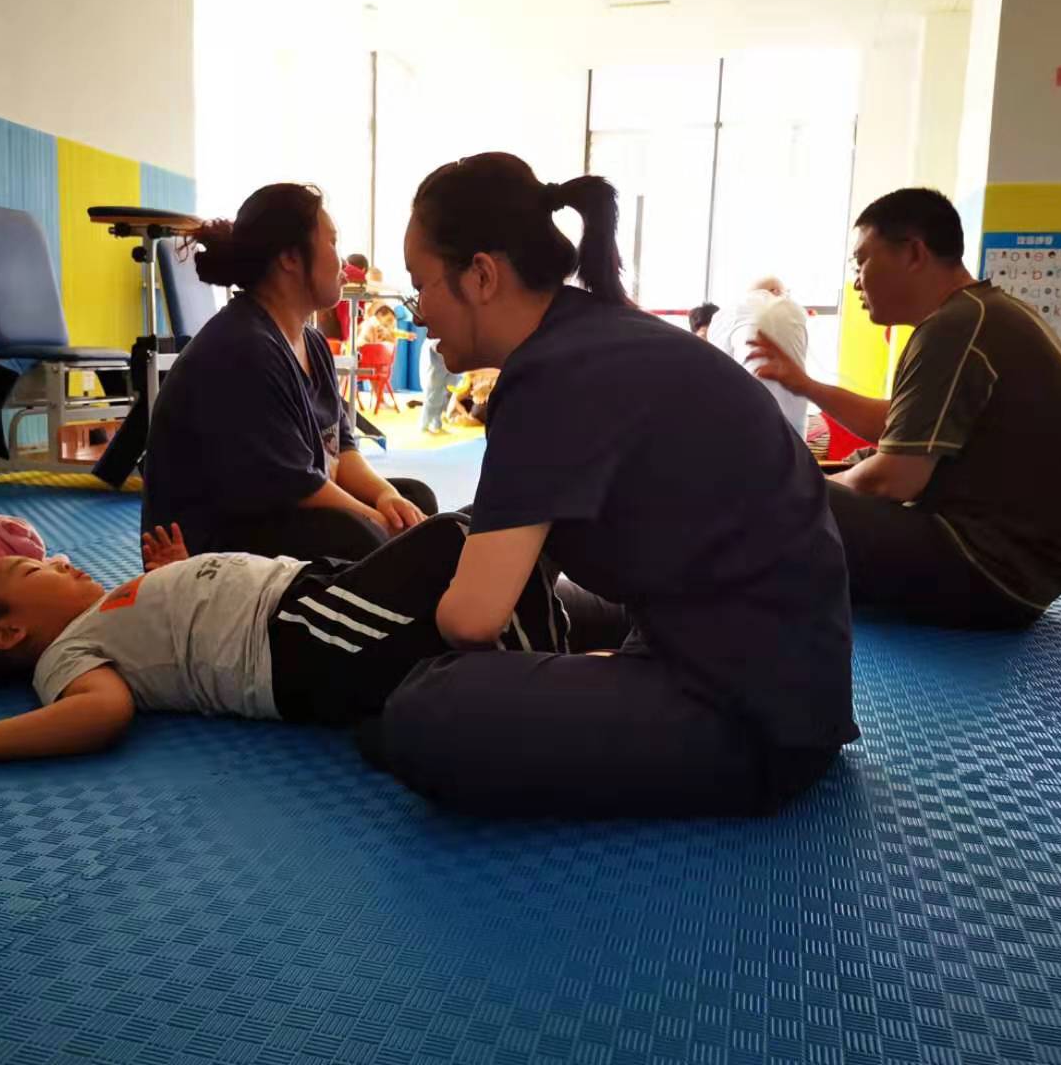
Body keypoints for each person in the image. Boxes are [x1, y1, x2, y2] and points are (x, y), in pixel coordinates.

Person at [361, 151, 856, 818]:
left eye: (420, 285)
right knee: (553, 607)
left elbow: (470, 619)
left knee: (428, 708)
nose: (418, 313)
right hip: (776, 663)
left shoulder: (549, 379)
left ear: (480, 275)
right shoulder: (591, 337)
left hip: (750, 713)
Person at [0, 514, 565, 776]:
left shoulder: (109, 608)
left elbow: (174, 628)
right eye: (35, 573)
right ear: (8, 632)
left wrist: (170, 576)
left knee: (469, 585)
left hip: (315, 602)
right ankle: (556, 676)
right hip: (297, 639)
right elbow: (100, 713)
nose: (58, 561)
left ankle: (554, 647)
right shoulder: (66, 657)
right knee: (457, 540)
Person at [746, 188, 1061, 628]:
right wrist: (805, 385)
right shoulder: (985, 313)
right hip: (1022, 576)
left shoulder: (955, 327)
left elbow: (892, 481)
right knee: (813, 479)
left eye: (861, 262)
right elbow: (900, 423)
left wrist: (810, 487)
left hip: (989, 571)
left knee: (768, 488)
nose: (856, 283)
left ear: (913, 252)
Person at [142, 184, 437, 563]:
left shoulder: (311, 343)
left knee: (413, 500)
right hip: (206, 547)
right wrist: (380, 523)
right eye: (332, 243)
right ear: (290, 258)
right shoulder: (244, 348)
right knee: (359, 532)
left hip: (280, 511)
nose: (343, 264)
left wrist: (386, 497)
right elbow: (297, 486)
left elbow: (342, 449)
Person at [709, 277, 810, 437]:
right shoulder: (795, 312)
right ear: (776, 291)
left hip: (746, 417)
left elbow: (718, 367)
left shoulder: (729, 314)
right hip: (793, 419)